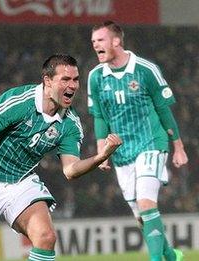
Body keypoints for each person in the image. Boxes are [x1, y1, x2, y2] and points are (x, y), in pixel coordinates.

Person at [0, 54, 122, 261]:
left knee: (46, 237)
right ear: (48, 81)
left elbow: (70, 170)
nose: (73, 85)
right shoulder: (19, 101)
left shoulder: (71, 124)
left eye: (75, 79)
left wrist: (100, 156)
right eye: (65, 80)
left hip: (20, 182)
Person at [88, 21, 188, 261]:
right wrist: (102, 150)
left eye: (100, 40)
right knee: (141, 215)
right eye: (93, 42)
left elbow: (164, 110)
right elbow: (100, 116)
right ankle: (171, 256)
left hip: (151, 144)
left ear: (116, 41)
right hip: (122, 153)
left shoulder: (145, 70)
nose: (95, 45)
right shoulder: (95, 77)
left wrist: (178, 147)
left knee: (146, 203)